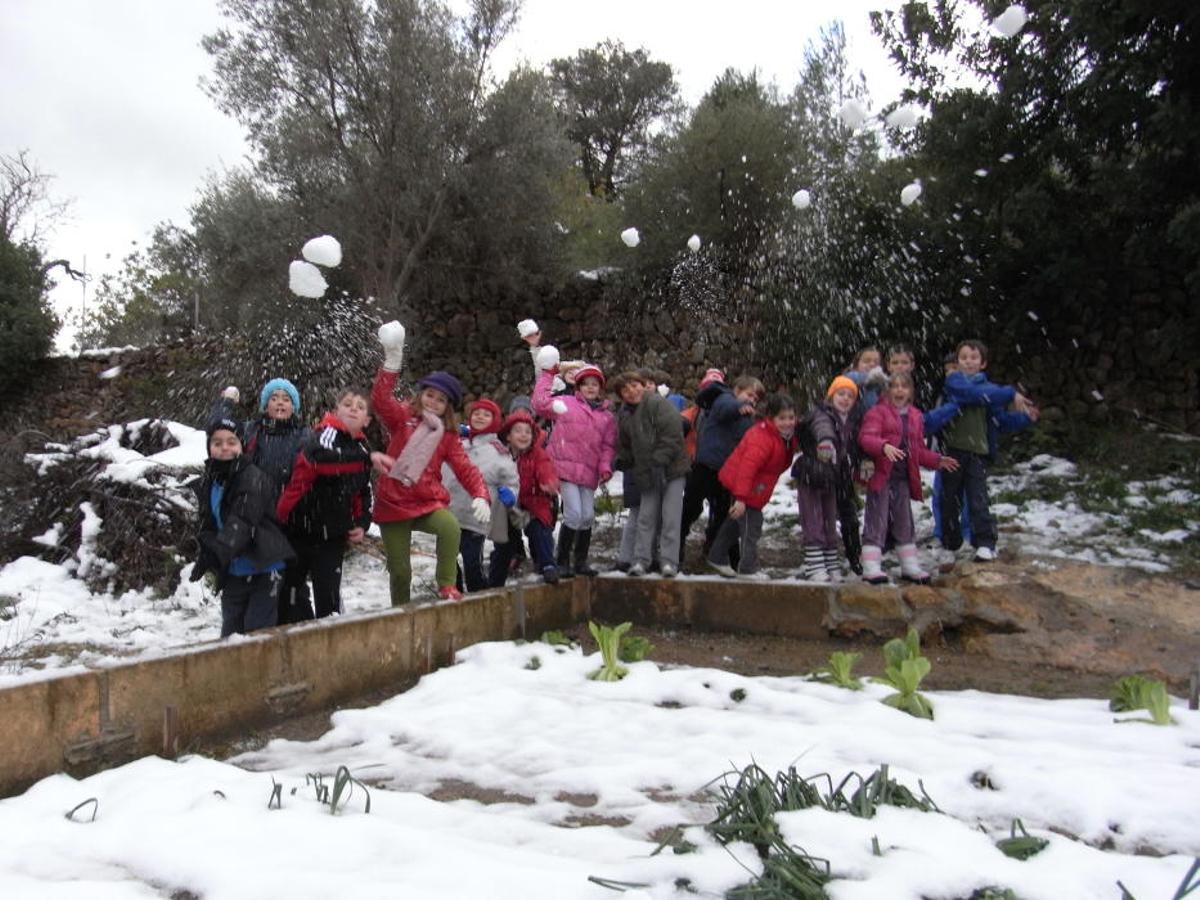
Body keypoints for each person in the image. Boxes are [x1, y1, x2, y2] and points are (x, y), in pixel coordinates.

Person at [371, 321, 490, 604]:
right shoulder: (402, 417)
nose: (433, 402)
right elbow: (380, 400)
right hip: (393, 502)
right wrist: (392, 362)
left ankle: (447, 584)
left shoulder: (447, 435)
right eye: (430, 395)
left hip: (425, 501)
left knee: (449, 527)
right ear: (421, 394)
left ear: (448, 406)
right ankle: (399, 612)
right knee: (401, 572)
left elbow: (465, 468)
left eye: (440, 400)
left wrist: (481, 494)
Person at [190, 415, 294, 636]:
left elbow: (242, 521)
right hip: (234, 569)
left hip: (265, 567)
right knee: (231, 632)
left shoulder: (253, 478)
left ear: (242, 446)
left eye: (232, 442)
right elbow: (208, 521)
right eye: (217, 443)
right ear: (209, 447)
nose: (225, 448)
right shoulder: (210, 480)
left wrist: (219, 552)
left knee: (257, 632)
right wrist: (205, 550)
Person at [274, 389, 374, 620]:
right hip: (299, 530)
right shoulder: (323, 435)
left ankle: (329, 636)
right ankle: (298, 634)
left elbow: (362, 491)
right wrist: (279, 519)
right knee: (289, 593)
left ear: (367, 420)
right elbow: (321, 461)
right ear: (336, 411)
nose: (353, 409)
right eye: (347, 404)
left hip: (333, 536)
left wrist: (362, 522)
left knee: (328, 600)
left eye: (360, 407)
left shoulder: (361, 450)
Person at [938, 339, 1037, 562]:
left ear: (983, 363)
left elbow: (1000, 421)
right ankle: (950, 542)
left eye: (974, 358)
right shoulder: (954, 382)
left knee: (978, 499)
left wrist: (1024, 418)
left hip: (977, 454)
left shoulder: (992, 392)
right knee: (949, 500)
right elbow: (973, 394)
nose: (968, 362)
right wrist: (1010, 393)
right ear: (957, 362)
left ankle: (985, 542)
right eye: (964, 358)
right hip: (951, 452)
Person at [858, 372, 959, 584]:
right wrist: (883, 446)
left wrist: (936, 460)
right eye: (895, 386)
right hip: (881, 475)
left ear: (911, 392)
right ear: (887, 391)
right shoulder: (877, 412)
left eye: (904, 386)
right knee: (877, 519)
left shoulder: (915, 416)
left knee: (904, 520)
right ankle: (871, 566)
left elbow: (918, 450)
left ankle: (909, 564)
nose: (899, 390)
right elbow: (866, 438)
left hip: (903, 477)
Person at [532, 344, 616, 578]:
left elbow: (608, 446)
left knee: (587, 516)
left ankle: (580, 561)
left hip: (589, 473)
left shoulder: (607, 417)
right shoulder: (566, 404)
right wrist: (548, 375)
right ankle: (562, 560)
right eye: (585, 383)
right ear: (578, 387)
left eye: (594, 384)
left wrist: (605, 467)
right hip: (565, 469)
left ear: (600, 388)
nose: (590, 387)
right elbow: (540, 403)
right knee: (574, 514)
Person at [707, 393, 799, 580]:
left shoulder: (785, 436)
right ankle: (747, 568)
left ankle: (716, 556)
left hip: (755, 487)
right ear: (771, 418)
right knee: (752, 527)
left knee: (736, 523)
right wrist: (741, 498)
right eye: (782, 418)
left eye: (791, 417)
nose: (787, 422)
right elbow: (746, 468)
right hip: (744, 486)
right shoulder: (762, 438)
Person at [679, 374, 764, 568]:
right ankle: (674, 552)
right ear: (737, 391)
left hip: (725, 473)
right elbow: (726, 408)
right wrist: (739, 405)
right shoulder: (723, 398)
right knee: (690, 510)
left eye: (755, 398)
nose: (752, 400)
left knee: (723, 515)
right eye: (749, 394)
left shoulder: (746, 416)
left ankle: (723, 557)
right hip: (705, 467)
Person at [611, 371, 690, 577]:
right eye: (625, 390)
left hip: (672, 469)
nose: (631, 391)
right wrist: (623, 459)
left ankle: (669, 561)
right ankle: (641, 559)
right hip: (646, 472)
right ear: (621, 396)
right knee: (646, 517)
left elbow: (672, 433)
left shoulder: (656, 403)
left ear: (642, 385)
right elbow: (626, 444)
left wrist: (660, 460)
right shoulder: (625, 415)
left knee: (670, 517)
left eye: (634, 385)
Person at [444, 398, 519, 592]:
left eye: (486, 415)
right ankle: (454, 594)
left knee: (472, 562)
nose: (480, 417)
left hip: (476, 517)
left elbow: (511, 481)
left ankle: (479, 595)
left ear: (495, 420)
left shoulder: (498, 451)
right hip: (450, 512)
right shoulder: (457, 443)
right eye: (477, 413)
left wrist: (511, 494)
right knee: (446, 559)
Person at [792, 376, 862, 582]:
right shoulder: (822, 413)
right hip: (813, 473)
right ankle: (814, 566)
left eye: (850, 396)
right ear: (831, 396)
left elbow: (854, 444)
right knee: (814, 519)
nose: (845, 398)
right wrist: (826, 441)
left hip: (832, 477)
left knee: (829, 519)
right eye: (841, 394)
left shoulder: (849, 420)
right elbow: (822, 426)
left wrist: (863, 460)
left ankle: (831, 563)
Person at [488, 409, 561, 585]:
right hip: (507, 504)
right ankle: (496, 579)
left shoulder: (537, 454)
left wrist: (548, 481)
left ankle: (547, 564)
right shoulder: (500, 455)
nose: (523, 435)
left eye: (528, 432)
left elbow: (545, 468)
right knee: (503, 542)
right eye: (518, 431)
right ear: (508, 436)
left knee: (539, 531)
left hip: (534, 501)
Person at [846, 346, 887, 411]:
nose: (872, 364)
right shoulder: (850, 377)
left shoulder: (883, 384)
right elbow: (853, 378)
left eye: (876, 362)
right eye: (866, 361)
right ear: (856, 366)